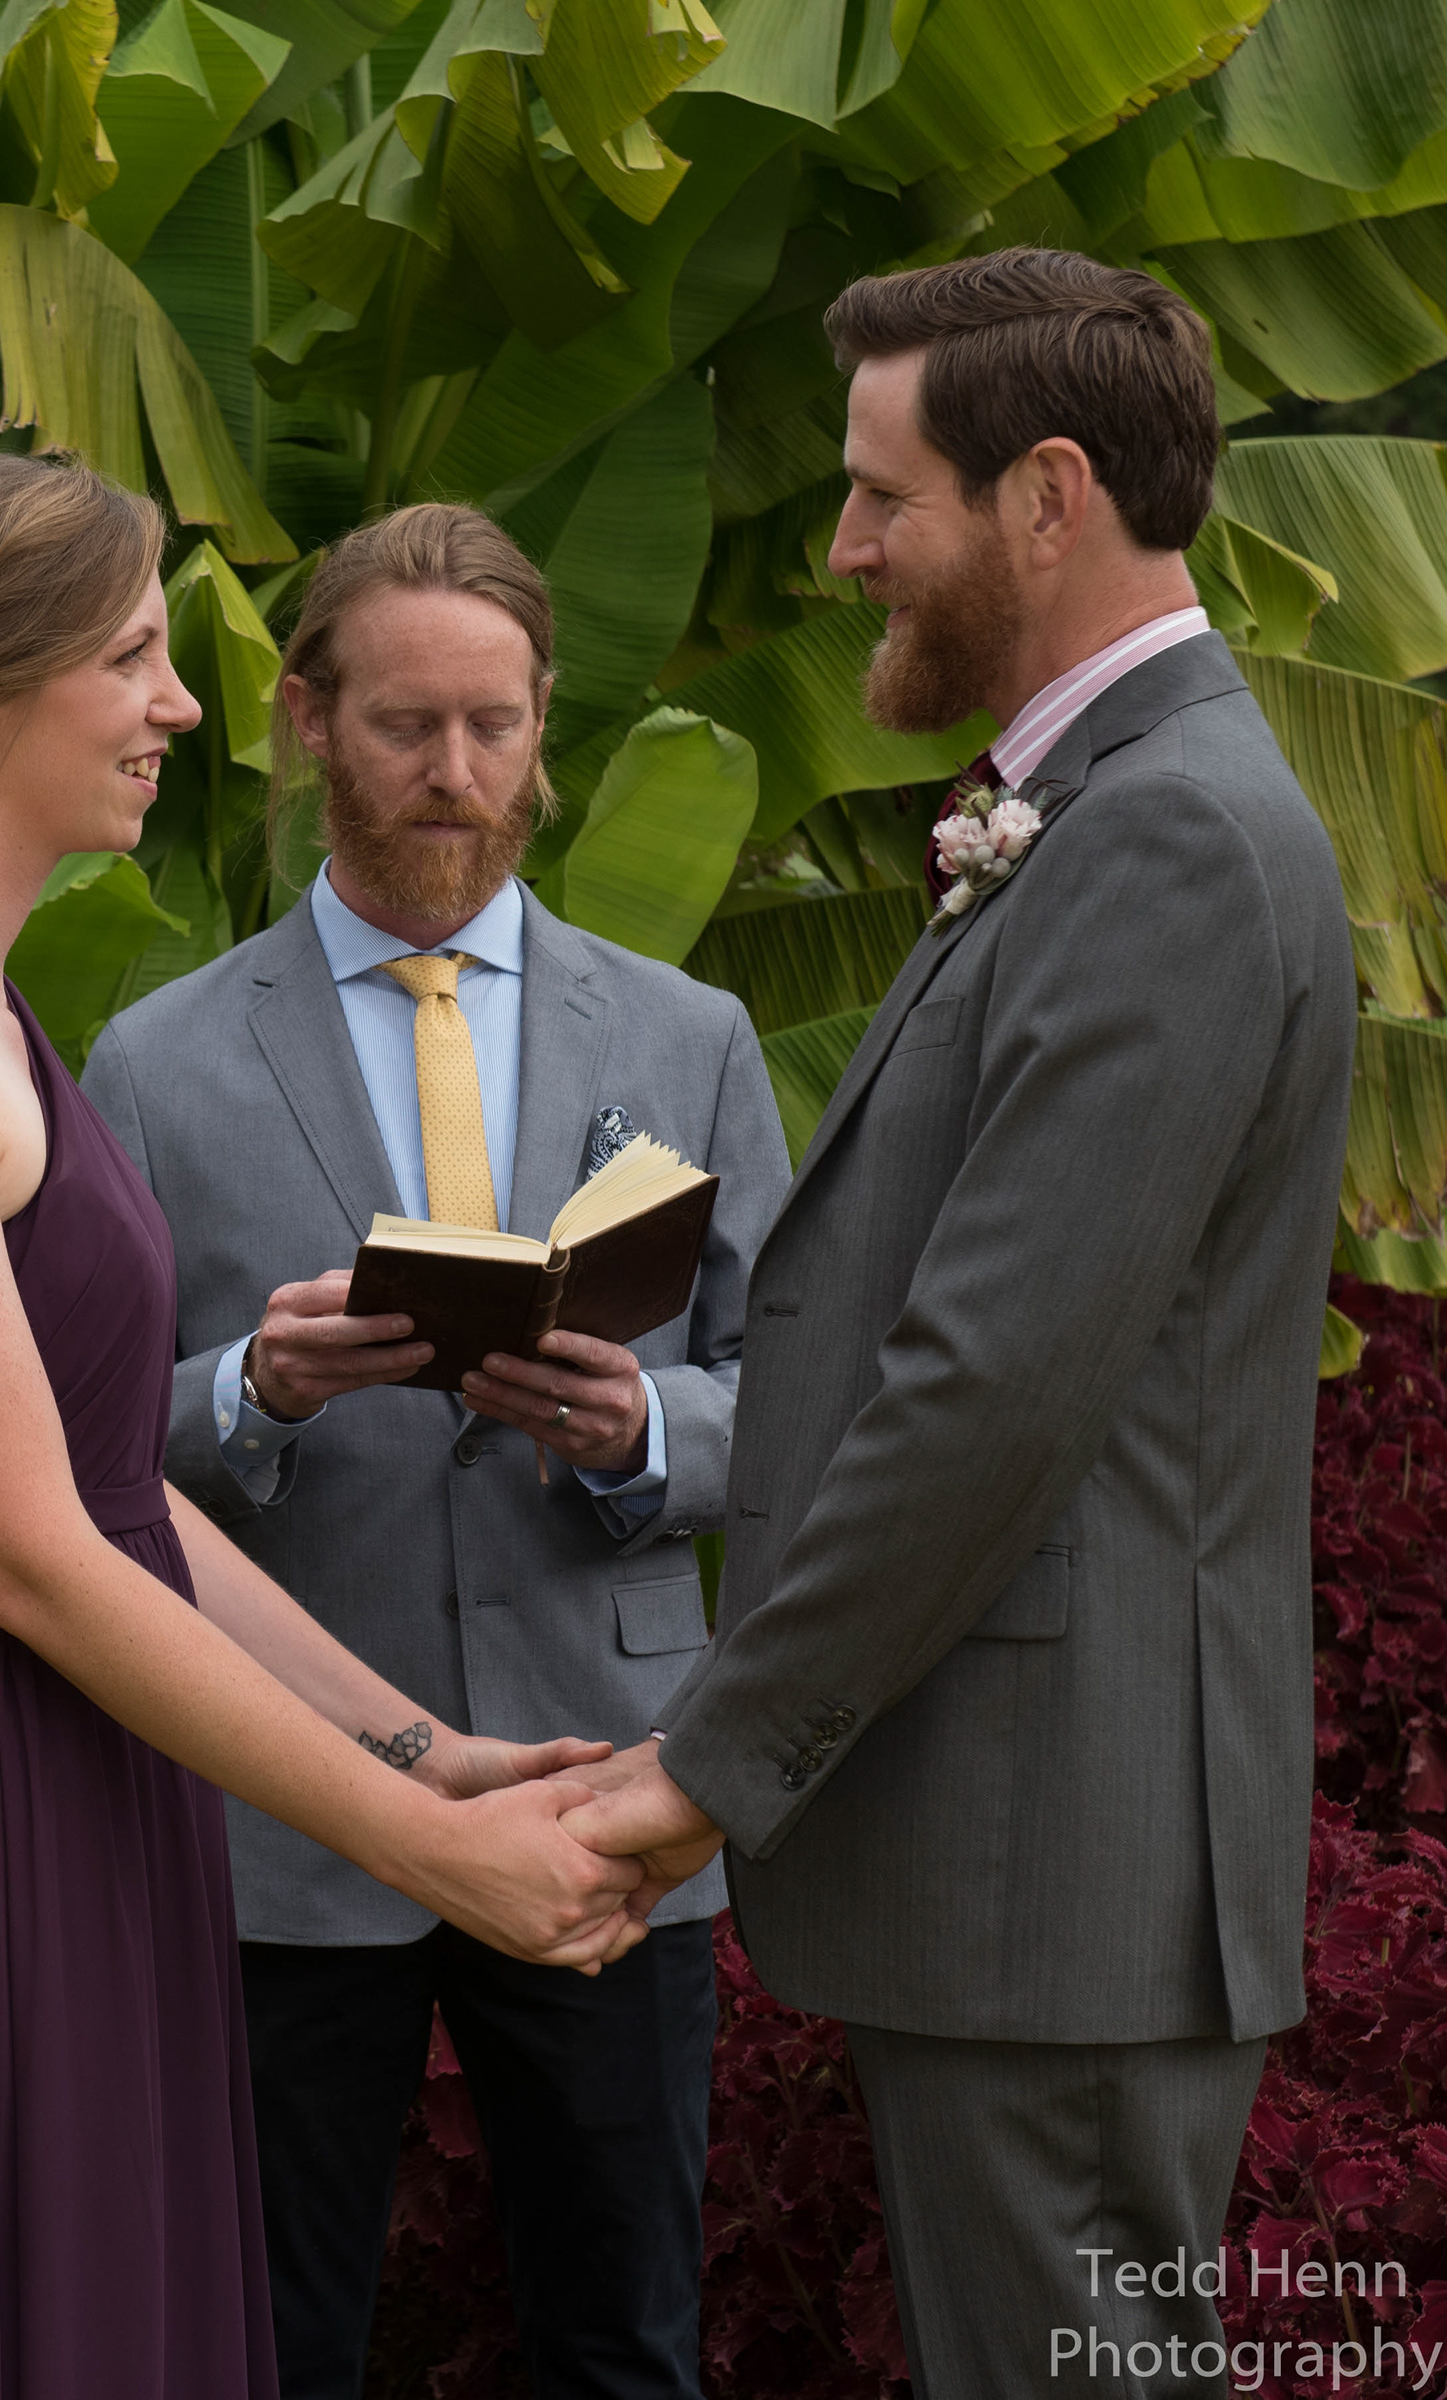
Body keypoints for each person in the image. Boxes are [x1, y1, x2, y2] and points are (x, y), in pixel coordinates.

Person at [0, 453, 648, 2400]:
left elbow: (112, 1492)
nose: (182, 705)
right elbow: (27, 1555)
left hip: (67, 1775)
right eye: (129, 658)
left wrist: (425, 1751)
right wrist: (431, 1861)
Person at [566, 250, 1356, 2399]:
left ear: (1048, 496)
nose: (842, 548)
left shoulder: (1166, 838)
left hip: (1064, 1881)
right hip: (1029, 1877)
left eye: (880, 495)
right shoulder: (1107, 809)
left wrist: (709, 1768)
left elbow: (991, 1387)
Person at [82, 502, 790, 2400]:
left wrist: (644, 1431)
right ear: (310, 719)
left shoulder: (693, 1035)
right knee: (267, 2339)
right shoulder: (152, 1058)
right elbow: (77, 1445)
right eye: (407, 725)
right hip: (287, 1799)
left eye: (497, 724)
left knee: (623, 2341)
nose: (457, 773)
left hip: (604, 1780)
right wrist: (255, 1391)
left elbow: (803, 1402)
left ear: (546, 722)